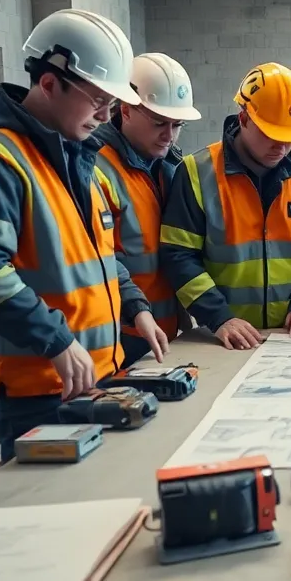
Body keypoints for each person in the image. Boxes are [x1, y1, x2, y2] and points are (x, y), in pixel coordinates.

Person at [0, 9, 168, 462]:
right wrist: (56, 339)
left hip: (100, 376)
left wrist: (135, 306)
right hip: (38, 390)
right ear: (49, 84)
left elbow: (101, 257)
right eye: (96, 100)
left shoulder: (82, 163)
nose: (106, 114)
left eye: (111, 101)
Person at [159, 62, 291, 351]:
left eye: (289, 138)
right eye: (271, 134)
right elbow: (178, 254)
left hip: (288, 336)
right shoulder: (198, 172)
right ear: (245, 119)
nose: (281, 147)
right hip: (221, 336)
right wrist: (219, 317)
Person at [93, 52, 202, 367]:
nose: (168, 136)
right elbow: (98, 256)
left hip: (166, 330)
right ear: (126, 111)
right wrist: (136, 309)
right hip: (119, 333)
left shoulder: (172, 167)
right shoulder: (96, 168)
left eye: (177, 125)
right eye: (159, 123)